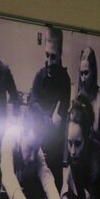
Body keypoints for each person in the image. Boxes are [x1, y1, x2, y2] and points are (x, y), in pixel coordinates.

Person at [29, 27, 71, 179]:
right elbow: (31, 106)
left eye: (53, 56)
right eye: (47, 55)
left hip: (54, 153)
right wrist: (47, 117)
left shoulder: (65, 81)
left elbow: (58, 123)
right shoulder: (39, 76)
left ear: (60, 53)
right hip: (36, 148)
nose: (49, 61)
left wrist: (39, 114)